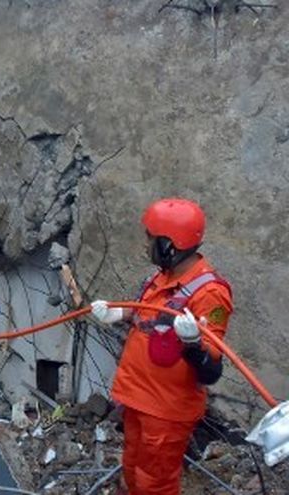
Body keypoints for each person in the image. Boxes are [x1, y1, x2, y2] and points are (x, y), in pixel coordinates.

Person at [90, 198, 232, 495]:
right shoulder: (162, 277)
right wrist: (119, 313)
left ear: (169, 244)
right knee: (131, 468)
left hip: (165, 410)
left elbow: (211, 370)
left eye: (150, 239)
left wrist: (193, 343)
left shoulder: (210, 293)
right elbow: (147, 316)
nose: (146, 246)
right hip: (137, 397)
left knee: (154, 483)